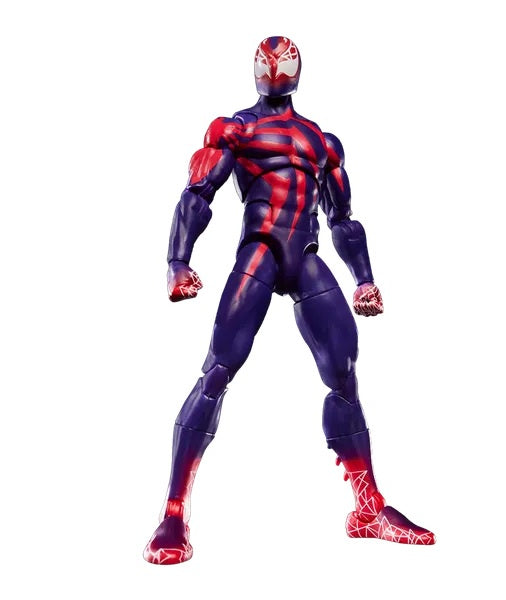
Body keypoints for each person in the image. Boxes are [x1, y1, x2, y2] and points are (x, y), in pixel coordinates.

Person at [144, 36, 435, 565]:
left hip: (304, 256)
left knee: (344, 370)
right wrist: (177, 262)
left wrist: (364, 279)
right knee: (218, 370)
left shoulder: (321, 141)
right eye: (268, 61)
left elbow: (343, 219)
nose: (276, 68)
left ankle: (367, 507)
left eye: (284, 61)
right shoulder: (236, 129)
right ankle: (173, 513)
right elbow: (197, 195)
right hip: (259, 253)